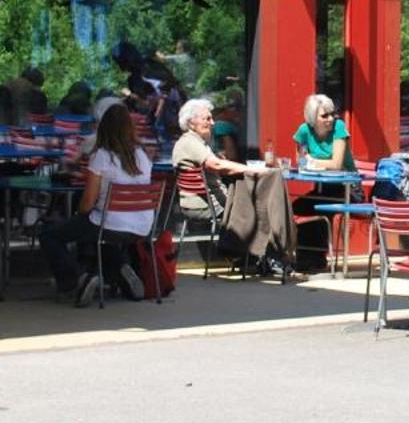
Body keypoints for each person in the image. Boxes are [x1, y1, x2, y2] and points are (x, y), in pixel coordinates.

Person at [42, 104, 155, 305]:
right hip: (143, 226)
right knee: (100, 234)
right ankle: (122, 268)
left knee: (51, 235)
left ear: (103, 128)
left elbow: (86, 204)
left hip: (109, 223)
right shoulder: (142, 156)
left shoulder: (102, 155)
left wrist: (80, 212)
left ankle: (79, 278)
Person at [172, 96, 289, 278]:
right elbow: (216, 166)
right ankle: (267, 258)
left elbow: (214, 164)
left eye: (211, 118)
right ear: (191, 122)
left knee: (257, 202)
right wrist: (252, 169)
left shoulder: (194, 143)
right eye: (207, 119)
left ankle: (253, 258)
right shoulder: (190, 142)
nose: (212, 123)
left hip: (200, 202)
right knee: (262, 206)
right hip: (207, 206)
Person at [293, 93, 352, 171]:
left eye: (332, 114)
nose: (331, 119)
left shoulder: (338, 127)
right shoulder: (304, 131)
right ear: (313, 117)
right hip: (318, 178)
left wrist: (311, 161)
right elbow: (301, 162)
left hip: (344, 180)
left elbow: (337, 165)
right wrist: (305, 161)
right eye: (324, 116)